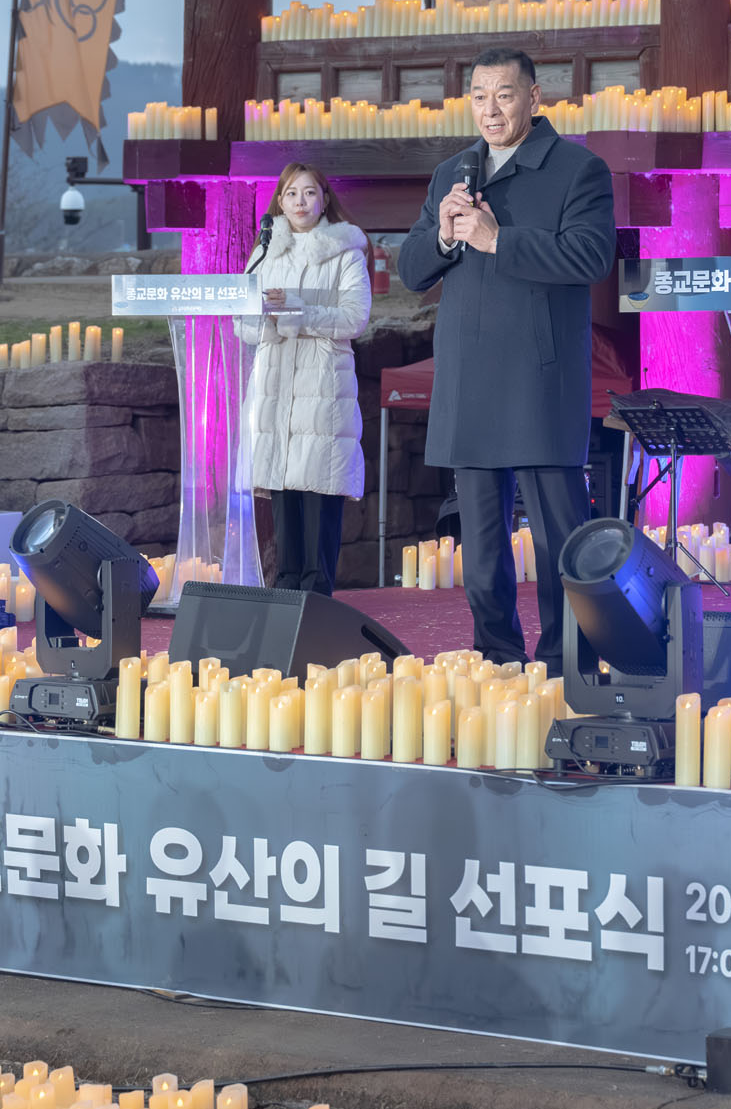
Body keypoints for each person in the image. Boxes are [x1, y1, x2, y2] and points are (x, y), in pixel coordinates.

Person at [396, 47, 615, 671]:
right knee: (482, 540)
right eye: (479, 96)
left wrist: (499, 240)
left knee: (557, 537)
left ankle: (566, 661)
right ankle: (496, 656)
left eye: (505, 95)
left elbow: (592, 257)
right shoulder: (453, 173)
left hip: (538, 379)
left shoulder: (578, 169)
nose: (490, 110)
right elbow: (411, 270)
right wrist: (444, 235)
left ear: (534, 98)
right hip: (468, 377)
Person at [239, 163, 372, 594]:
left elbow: (355, 318)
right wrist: (266, 318)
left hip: (322, 388)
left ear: (324, 199)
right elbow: (242, 322)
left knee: (318, 490)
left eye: (310, 193)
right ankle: (285, 592)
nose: (300, 202)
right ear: (280, 201)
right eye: (292, 193)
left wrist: (295, 309)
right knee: (284, 496)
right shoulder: (265, 252)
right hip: (276, 388)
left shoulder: (345, 251)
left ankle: (316, 599)